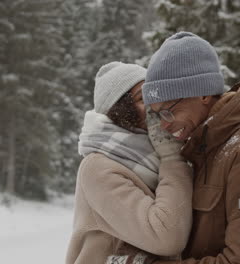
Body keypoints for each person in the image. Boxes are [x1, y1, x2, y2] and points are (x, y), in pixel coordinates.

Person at [140, 32, 240, 263]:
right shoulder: (207, 151)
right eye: (156, 115)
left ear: (204, 94)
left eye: (169, 111)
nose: (164, 125)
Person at [65, 61, 193, 264]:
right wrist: (172, 159)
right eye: (143, 98)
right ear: (118, 108)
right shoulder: (98, 167)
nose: (154, 107)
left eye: (155, 96)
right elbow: (167, 237)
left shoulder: (155, 152)